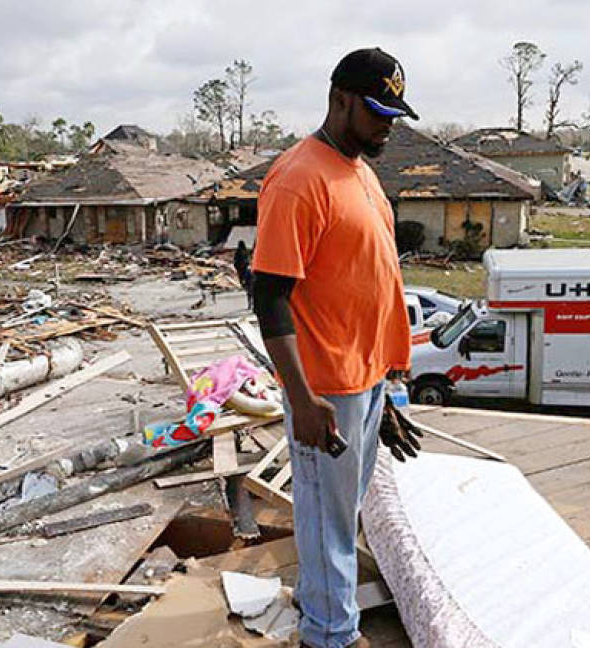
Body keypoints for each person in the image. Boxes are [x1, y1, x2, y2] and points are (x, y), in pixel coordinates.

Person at [251, 47, 421, 648]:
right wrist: (301, 398)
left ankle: (322, 611)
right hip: (327, 387)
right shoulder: (300, 179)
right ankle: (329, 636)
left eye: (394, 114)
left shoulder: (362, 174)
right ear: (339, 99)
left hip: (367, 381)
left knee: (340, 515)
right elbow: (268, 295)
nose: (386, 126)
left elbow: (365, 283)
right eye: (376, 112)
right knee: (327, 519)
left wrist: (386, 392)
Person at [233, 240, 253, 309]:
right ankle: (251, 302)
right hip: (246, 270)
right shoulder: (245, 252)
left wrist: (237, 267)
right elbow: (248, 260)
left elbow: (235, 261)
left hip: (241, 271)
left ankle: (250, 302)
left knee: (246, 285)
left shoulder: (238, 252)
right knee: (250, 287)